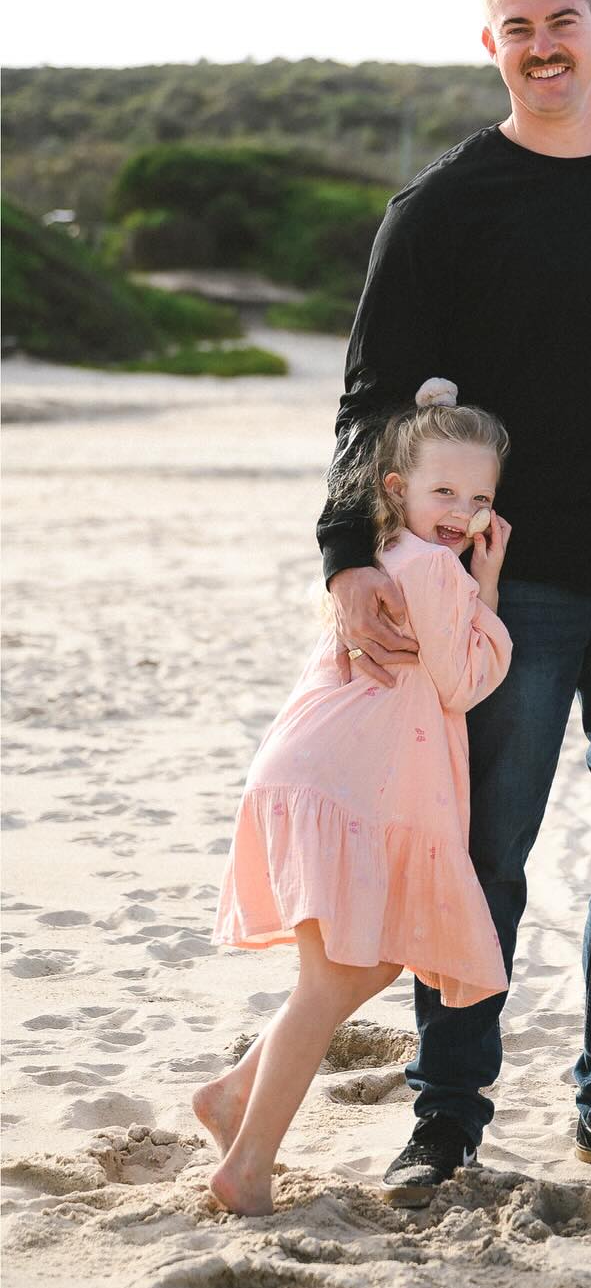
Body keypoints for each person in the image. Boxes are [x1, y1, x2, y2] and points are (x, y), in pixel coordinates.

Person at [321, 0, 591, 1197]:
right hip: (508, 589)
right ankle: (446, 1119)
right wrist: (346, 558)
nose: (543, 47)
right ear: (489, 42)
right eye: (518, 28)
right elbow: (371, 401)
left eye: (563, 22)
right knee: (482, 852)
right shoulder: (443, 209)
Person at [201, 382, 514, 1214]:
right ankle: (248, 1163)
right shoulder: (439, 576)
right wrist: (488, 589)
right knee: (329, 976)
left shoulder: (378, 564)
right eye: (443, 491)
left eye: (479, 498)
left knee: (369, 957)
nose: (461, 511)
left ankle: (235, 1093)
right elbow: (465, 682)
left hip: (319, 771)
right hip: (348, 785)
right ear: (394, 488)